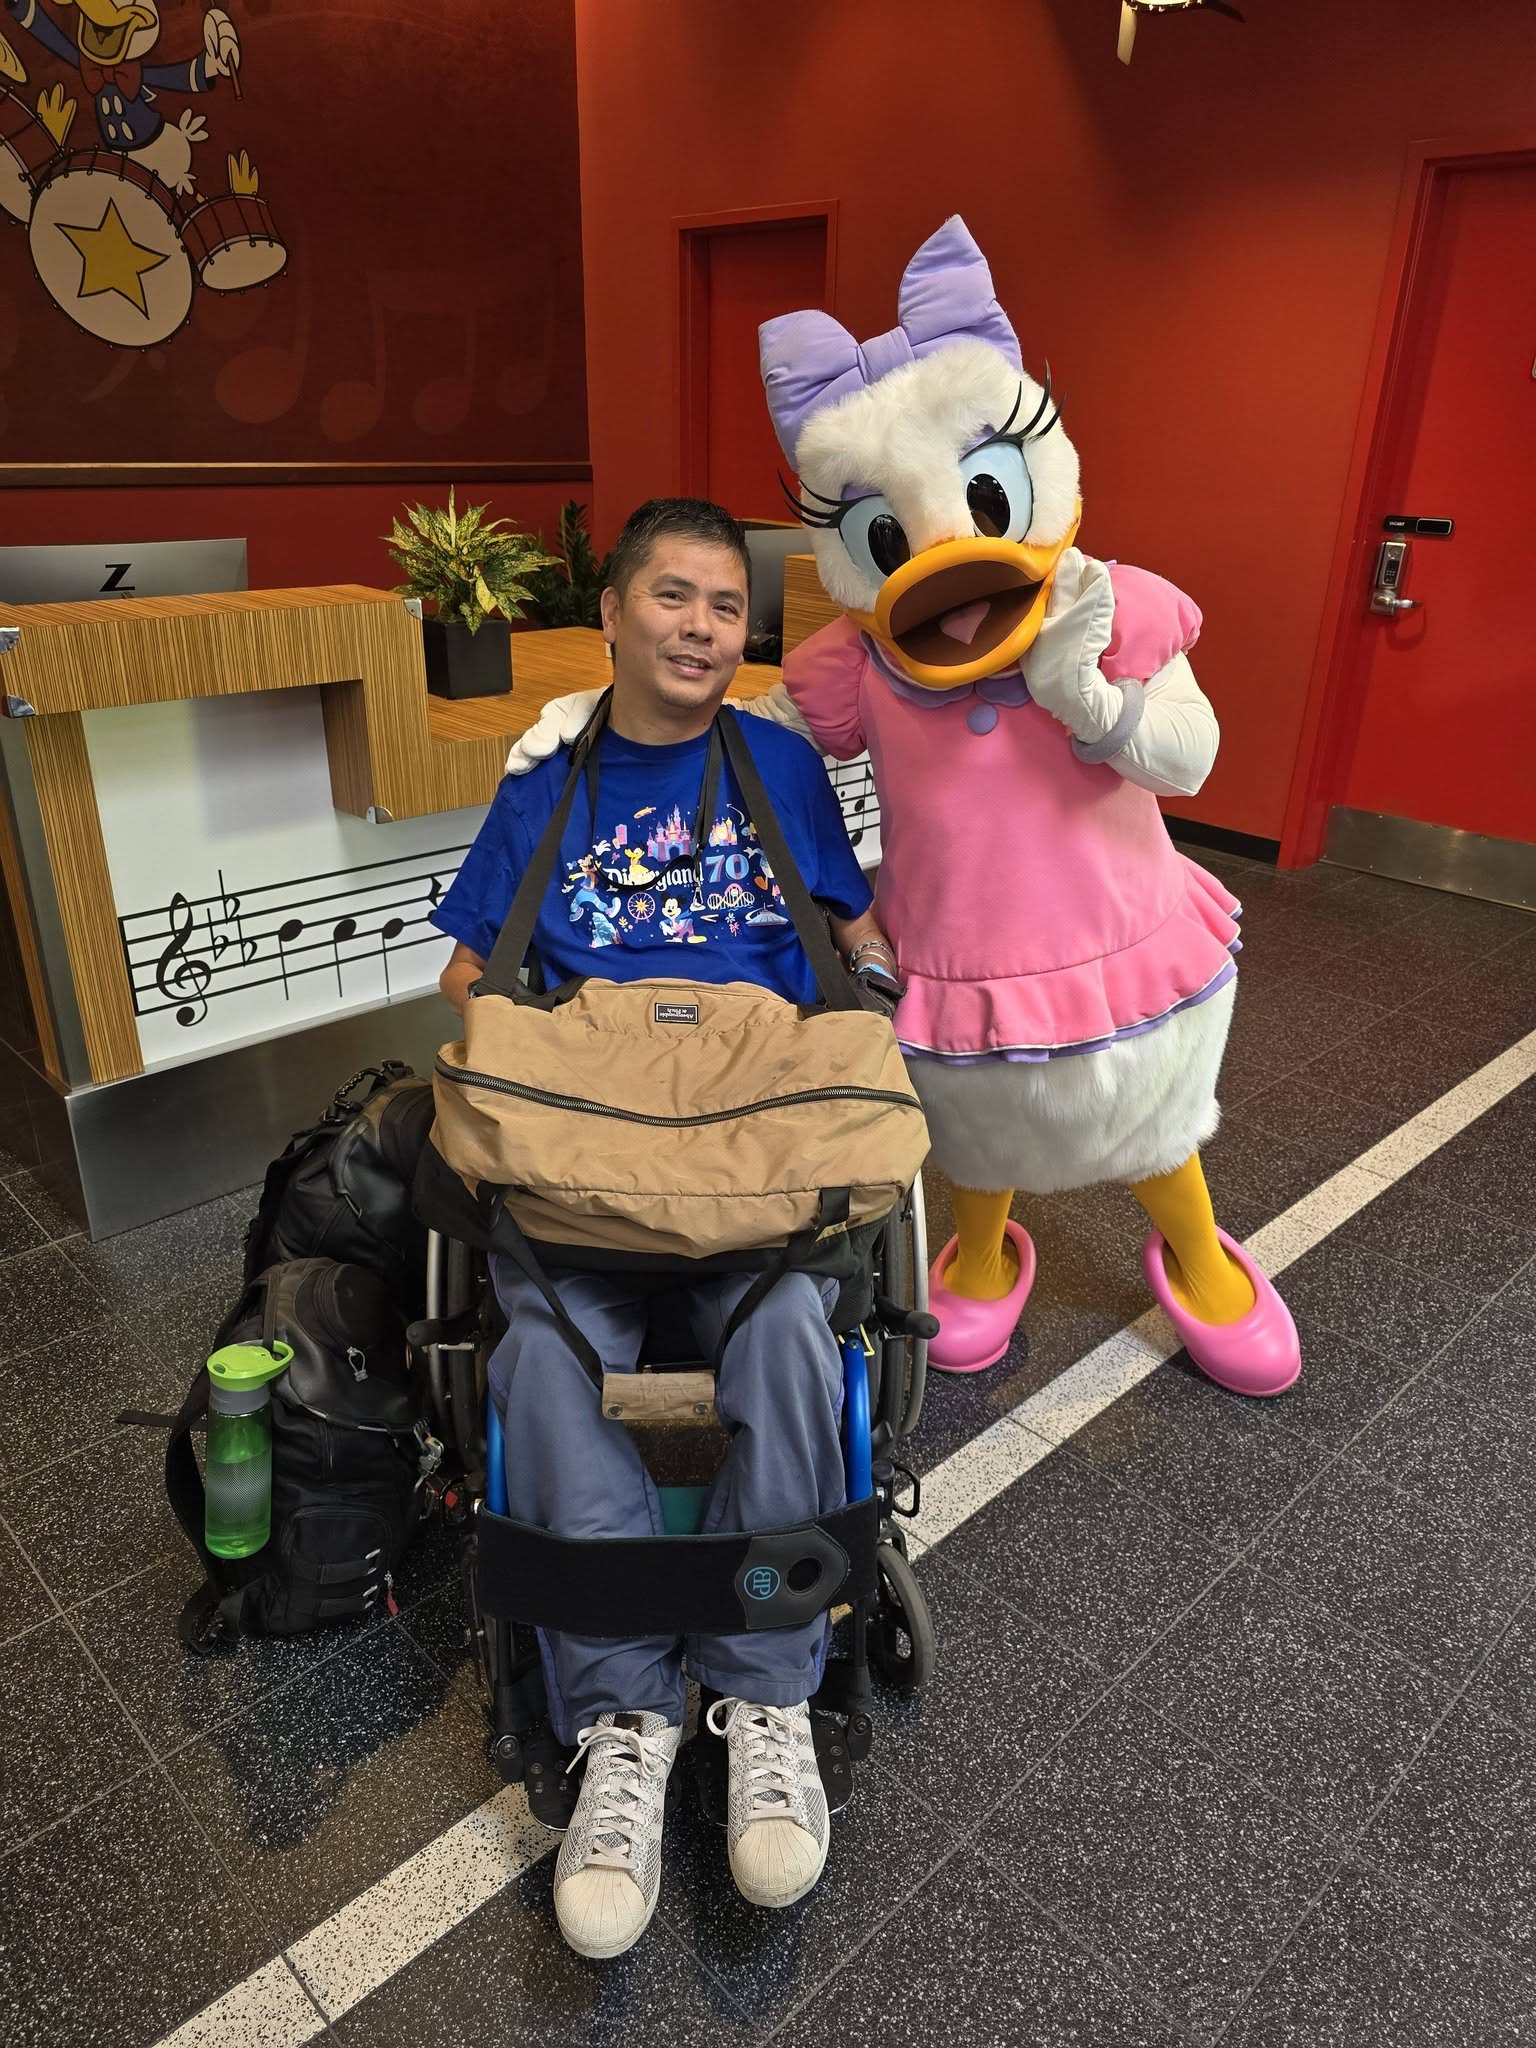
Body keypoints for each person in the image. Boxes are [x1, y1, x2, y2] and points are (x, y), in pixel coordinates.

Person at [431, 497, 899, 1960]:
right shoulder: (548, 784)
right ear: (614, 614)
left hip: (757, 1150)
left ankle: (763, 1692)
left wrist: (896, 982)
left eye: (726, 606)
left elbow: (853, 934)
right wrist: (575, 1059)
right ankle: (624, 1721)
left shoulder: (779, 765)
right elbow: (469, 975)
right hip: (592, 1161)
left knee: (789, 1338)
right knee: (541, 1357)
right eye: (673, 597)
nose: (703, 627)